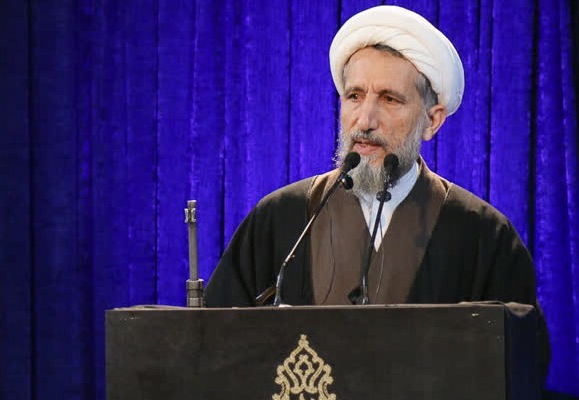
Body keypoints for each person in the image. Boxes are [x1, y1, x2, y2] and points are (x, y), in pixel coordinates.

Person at [204, 4, 549, 378]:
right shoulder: (281, 217)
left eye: (389, 99)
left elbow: (518, 365)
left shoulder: (482, 235)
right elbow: (214, 348)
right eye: (354, 96)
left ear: (432, 121)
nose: (365, 120)